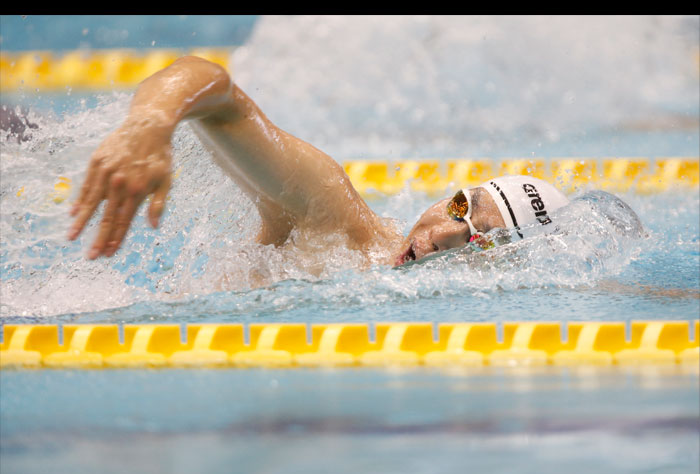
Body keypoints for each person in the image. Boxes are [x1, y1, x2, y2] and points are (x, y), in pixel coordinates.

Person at [67, 56, 571, 267]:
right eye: (462, 208)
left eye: (480, 242)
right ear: (449, 195)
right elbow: (214, 88)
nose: (445, 235)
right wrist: (150, 125)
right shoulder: (335, 222)